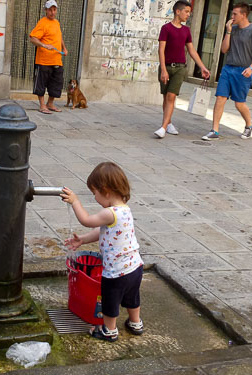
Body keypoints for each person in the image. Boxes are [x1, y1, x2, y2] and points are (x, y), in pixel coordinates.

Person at [61, 162, 144, 342]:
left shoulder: (109, 212)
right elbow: (103, 231)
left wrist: (75, 201)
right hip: (134, 267)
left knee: (110, 300)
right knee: (132, 296)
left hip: (116, 272)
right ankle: (136, 323)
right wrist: (83, 239)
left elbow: (87, 220)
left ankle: (109, 330)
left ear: (106, 191)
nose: (95, 197)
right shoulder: (124, 210)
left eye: (95, 193)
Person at [202, 2, 252, 140]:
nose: (232, 16)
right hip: (228, 68)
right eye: (232, 13)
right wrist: (228, 31)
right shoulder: (233, 29)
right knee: (220, 98)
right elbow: (224, 49)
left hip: (243, 71)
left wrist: (251, 67)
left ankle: (249, 125)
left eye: (235, 14)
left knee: (239, 103)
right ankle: (215, 130)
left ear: (244, 14)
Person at [154, 0, 211, 139]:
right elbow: (161, 50)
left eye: (189, 13)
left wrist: (202, 67)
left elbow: (191, 50)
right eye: (186, 12)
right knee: (166, 97)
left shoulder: (186, 30)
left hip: (180, 68)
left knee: (171, 96)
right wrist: (163, 69)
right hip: (166, 67)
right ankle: (168, 123)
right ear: (177, 11)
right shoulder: (166, 28)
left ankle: (163, 127)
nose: (188, 15)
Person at [29, 0, 68, 115]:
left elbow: (59, 37)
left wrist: (64, 48)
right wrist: (44, 45)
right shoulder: (42, 23)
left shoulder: (57, 23)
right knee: (41, 83)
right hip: (44, 60)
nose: (52, 12)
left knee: (56, 83)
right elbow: (33, 38)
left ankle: (50, 104)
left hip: (56, 59)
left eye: (54, 9)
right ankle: (42, 105)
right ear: (46, 10)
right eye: (50, 10)